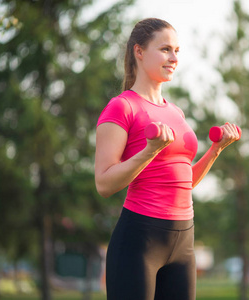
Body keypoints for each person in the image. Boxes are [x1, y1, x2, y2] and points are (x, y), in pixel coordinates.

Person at [94, 18, 240, 300]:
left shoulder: (176, 112)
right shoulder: (121, 107)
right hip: (139, 240)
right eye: (165, 50)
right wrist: (150, 151)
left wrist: (215, 150)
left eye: (177, 51)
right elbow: (104, 184)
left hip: (183, 242)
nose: (174, 58)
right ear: (139, 51)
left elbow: (183, 183)